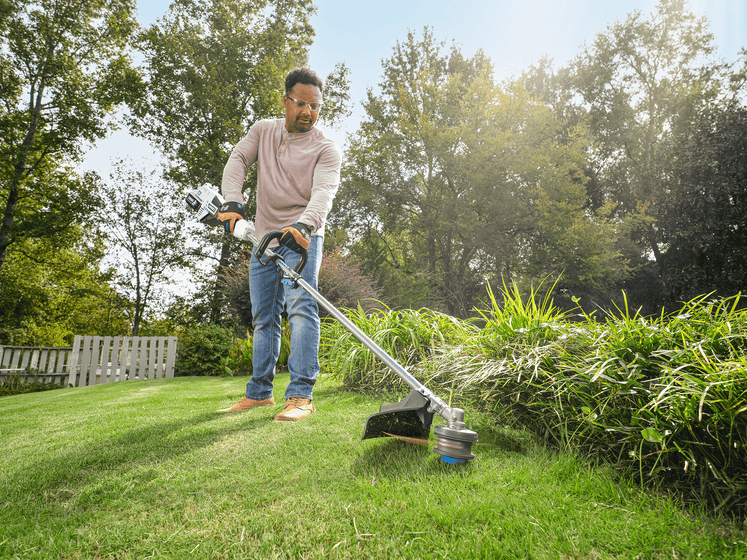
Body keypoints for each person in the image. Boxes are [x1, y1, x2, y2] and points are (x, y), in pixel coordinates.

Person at [216, 67, 342, 421]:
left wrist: (304, 224)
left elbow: (324, 192)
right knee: (263, 316)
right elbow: (239, 159)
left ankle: (301, 396)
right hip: (263, 236)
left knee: (302, 309)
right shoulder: (263, 130)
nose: (308, 112)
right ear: (286, 100)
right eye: (301, 103)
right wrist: (231, 201)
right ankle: (259, 394)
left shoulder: (326, 148)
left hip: (302, 237)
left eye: (315, 106)